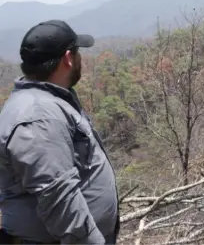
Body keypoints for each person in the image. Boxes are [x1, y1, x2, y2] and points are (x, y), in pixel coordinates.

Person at [0, 20, 120, 244]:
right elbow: (59, 199)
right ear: (68, 58)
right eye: (77, 53)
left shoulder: (48, 101)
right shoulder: (37, 116)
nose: (80, 60)